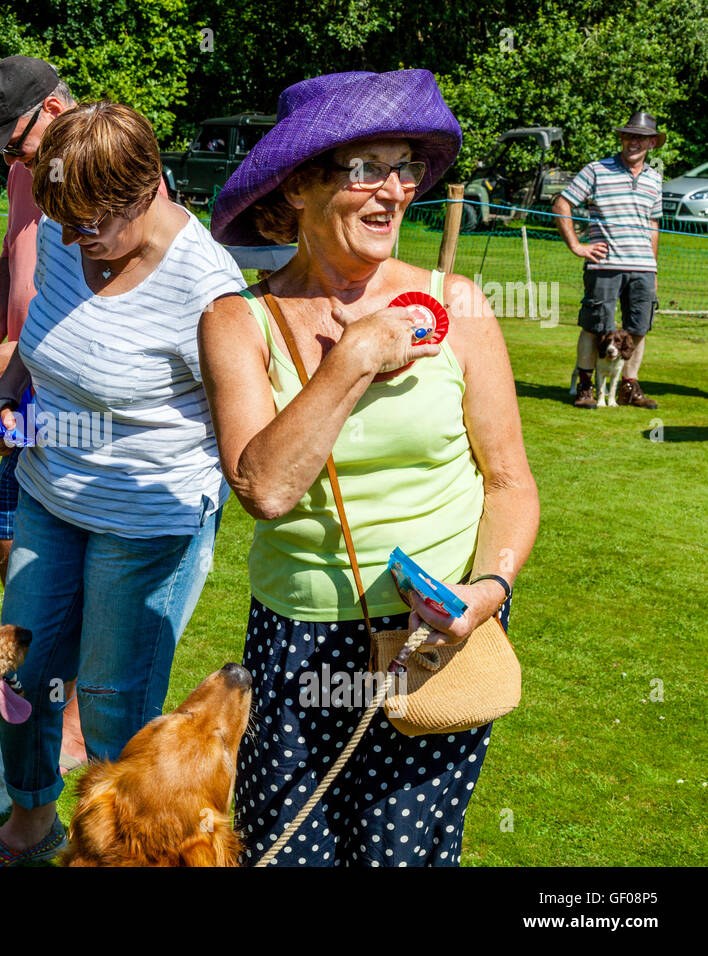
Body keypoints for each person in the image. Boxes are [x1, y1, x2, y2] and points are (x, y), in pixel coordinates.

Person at [201, 69, 540, 866]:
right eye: (366, 168)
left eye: (405, 168)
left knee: (406, 855)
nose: (394, 191)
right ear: (297, 190)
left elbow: (510, 483)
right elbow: (269, 489)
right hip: (298, 647)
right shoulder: (236, 322)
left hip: (436, 638)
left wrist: (488, 591)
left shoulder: (457, 306)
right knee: (286, 851)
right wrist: (353, 355)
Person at [0, 102, 244, 866]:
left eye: (93, 226)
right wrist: (12, 391)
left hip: (144, 527)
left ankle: (121, 856)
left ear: (147, 192)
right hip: (49, 496)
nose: (78, 241)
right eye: (65, 224)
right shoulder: (61, 228)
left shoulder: (206, 286)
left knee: (114, 711)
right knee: (21, 679)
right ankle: (30, 825)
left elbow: (241, 430)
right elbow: (45, 320)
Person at [0, 55, 87, 773]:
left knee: (63, 559)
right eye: (5, 150)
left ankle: (70, 723)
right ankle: (33, 704)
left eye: (16, 142)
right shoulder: (23, 174)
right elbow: (14, 259)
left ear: (55, 107)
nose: (13, 158)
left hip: (68, 396)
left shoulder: (111, 173)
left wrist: (20, 350)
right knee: (12, 543)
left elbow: (102, 295)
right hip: (19, 389)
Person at [553, 111, 664, 409]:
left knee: (638, 330)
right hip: (604, 265)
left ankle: (629, 388)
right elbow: (562, 202)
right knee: (594, 327)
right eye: (629, 136)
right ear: (622, 138)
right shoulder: (596, 170)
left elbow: (653, 225)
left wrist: (653, 268)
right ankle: (586, 387)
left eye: (640, 138)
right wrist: (576, 245)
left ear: (652, 143)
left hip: (643, 268)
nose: (633, 142)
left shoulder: (655, 178)